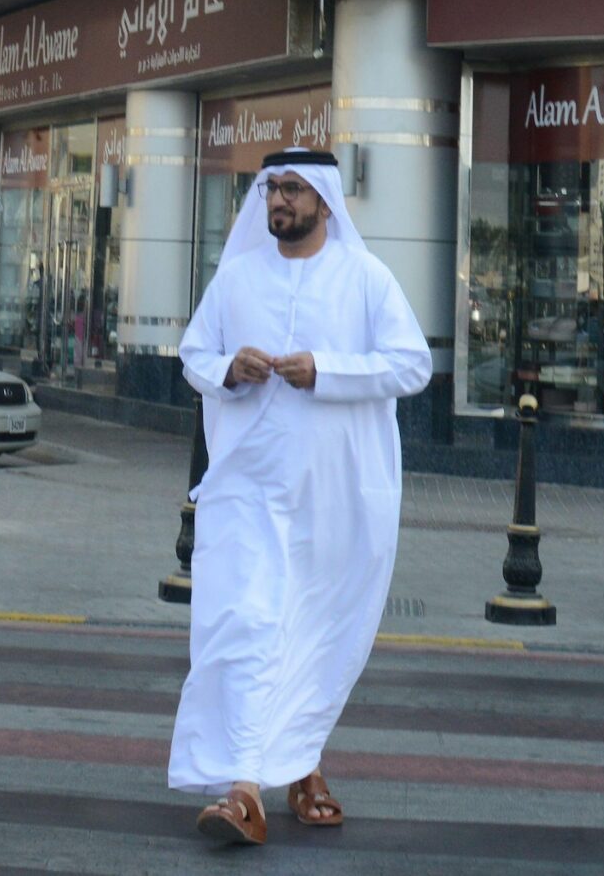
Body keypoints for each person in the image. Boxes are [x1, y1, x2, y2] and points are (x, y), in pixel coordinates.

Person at [169, 148, 432, 847]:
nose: (278, 201)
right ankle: (243, 789)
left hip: (334, 493)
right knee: (245, 625)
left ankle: (301, 761)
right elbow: (193, 354)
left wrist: (327, 369)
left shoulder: (365, 277)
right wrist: (231, 366)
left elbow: (413, 364)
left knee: (315, 631)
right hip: (247, 487)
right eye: (271, 190)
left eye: (291, 188)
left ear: (323, 198)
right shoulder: (237, 277)